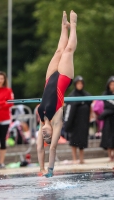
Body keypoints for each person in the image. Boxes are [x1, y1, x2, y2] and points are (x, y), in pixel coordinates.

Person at [37, 10, 77, 177]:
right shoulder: (56, 119)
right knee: (67, 51)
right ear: (52, 133)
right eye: (48, 137)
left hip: (49, 79)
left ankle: (64, 26)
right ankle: (73, 26)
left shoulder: (41, 118)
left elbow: (40, 148)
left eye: (43, 136)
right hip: (63, 79)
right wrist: (49, 169)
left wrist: (40, 168)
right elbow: (51, 148)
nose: (45, 135)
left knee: (58, 52)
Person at [64, 76, 91, 164]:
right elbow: (68, 109)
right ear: (75, 84)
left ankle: (81, 159)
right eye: (78, 83)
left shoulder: (86, 95)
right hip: (74, 122)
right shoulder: (72, 96)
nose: (79, 85)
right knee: (74, 141)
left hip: (83, 122)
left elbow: (90, 106)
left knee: (82, 140)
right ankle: (74, 159)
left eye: (81, 83)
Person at [0, 71, 14, 168]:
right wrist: (2, 103)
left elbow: (10, 103)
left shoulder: (8, 90)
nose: (0, 80)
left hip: (5, 119)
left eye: (2, 79)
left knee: (3, 140)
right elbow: (4, 103)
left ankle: (1, 162)